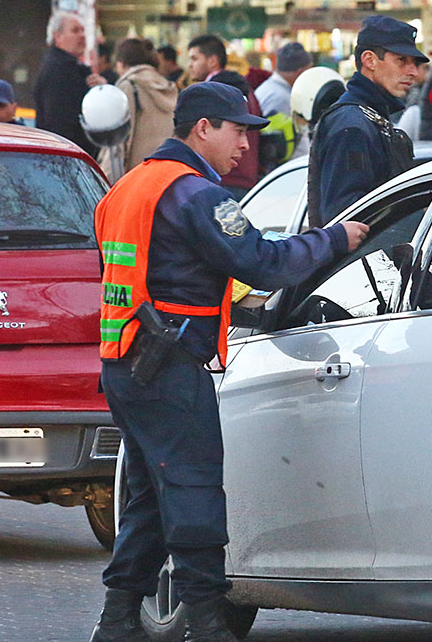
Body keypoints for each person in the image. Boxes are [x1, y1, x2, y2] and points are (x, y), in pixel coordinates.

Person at [89, 81, 368, 642]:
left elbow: (156, 271)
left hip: (125, 363)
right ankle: (209, 623)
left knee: (150, 495)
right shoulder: (196, 195)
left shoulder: (128, 187)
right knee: (192, 488)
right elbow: (263, 262)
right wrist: (335, 239)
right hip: (167, 365)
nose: (246, 143)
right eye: (238, 129)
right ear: (202, 129)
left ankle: (117, 621)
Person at [307, 15, 423, 228]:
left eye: (414, 63)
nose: (413, 71)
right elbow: (344, 218)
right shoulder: (352, 125)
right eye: (402, 61)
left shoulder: (370, 118)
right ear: (369, 60)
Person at [187, 34, 263, 196]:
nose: (190, 66)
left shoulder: (213, 93)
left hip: (225, 177)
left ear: (212, 61)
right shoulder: (245, 88)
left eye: (194, 59)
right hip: (247, 177)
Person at [33, 11, 106, 157]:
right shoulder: (59, 69)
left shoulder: (71, 67)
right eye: (75, 30)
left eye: (83, 30)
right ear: (57, 36)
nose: (82, 35)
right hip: (67, 159)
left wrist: (102, 90)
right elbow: (59, 121)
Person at [107, 37, 179, 178]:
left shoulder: (129, 86)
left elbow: (119, 141)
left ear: (121, 64)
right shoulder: (169, 87)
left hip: (137, 175)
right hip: (167, 173)